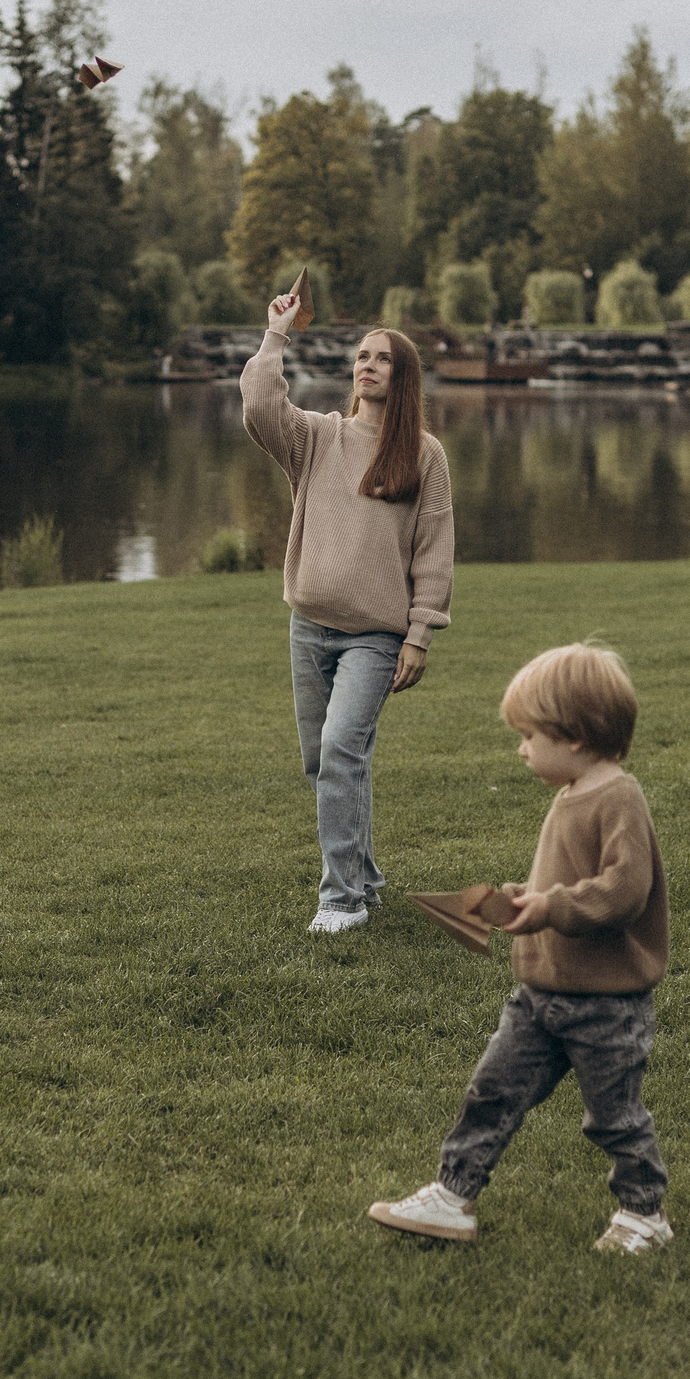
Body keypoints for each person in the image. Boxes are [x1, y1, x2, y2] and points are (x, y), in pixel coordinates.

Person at [368, 644, 674, 1255]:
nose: (522, 748)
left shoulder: (618, 798)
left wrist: (553, 907)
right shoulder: (568, 794)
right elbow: (562, 886)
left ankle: (645, 1214)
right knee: (493, 1091)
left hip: (604, 1007)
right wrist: (522, 899)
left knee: (614, 1117)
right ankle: (454, 1196)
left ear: (577, 736)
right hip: (539, 997)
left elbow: (623, 890)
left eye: (530, 735)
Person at [240, 293, 454, 934]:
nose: (368, 365)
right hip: (309, 627)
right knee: (326, 759)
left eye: (382, 359)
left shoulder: (424, 455)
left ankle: (342, 900)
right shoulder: (317, 438)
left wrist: (419, 634)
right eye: (362, 355)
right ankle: (364, 878)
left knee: (340, 747)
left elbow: (433, 552)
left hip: (375, 636)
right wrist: (276, 335)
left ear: (402, 376)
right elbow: (259, 407)